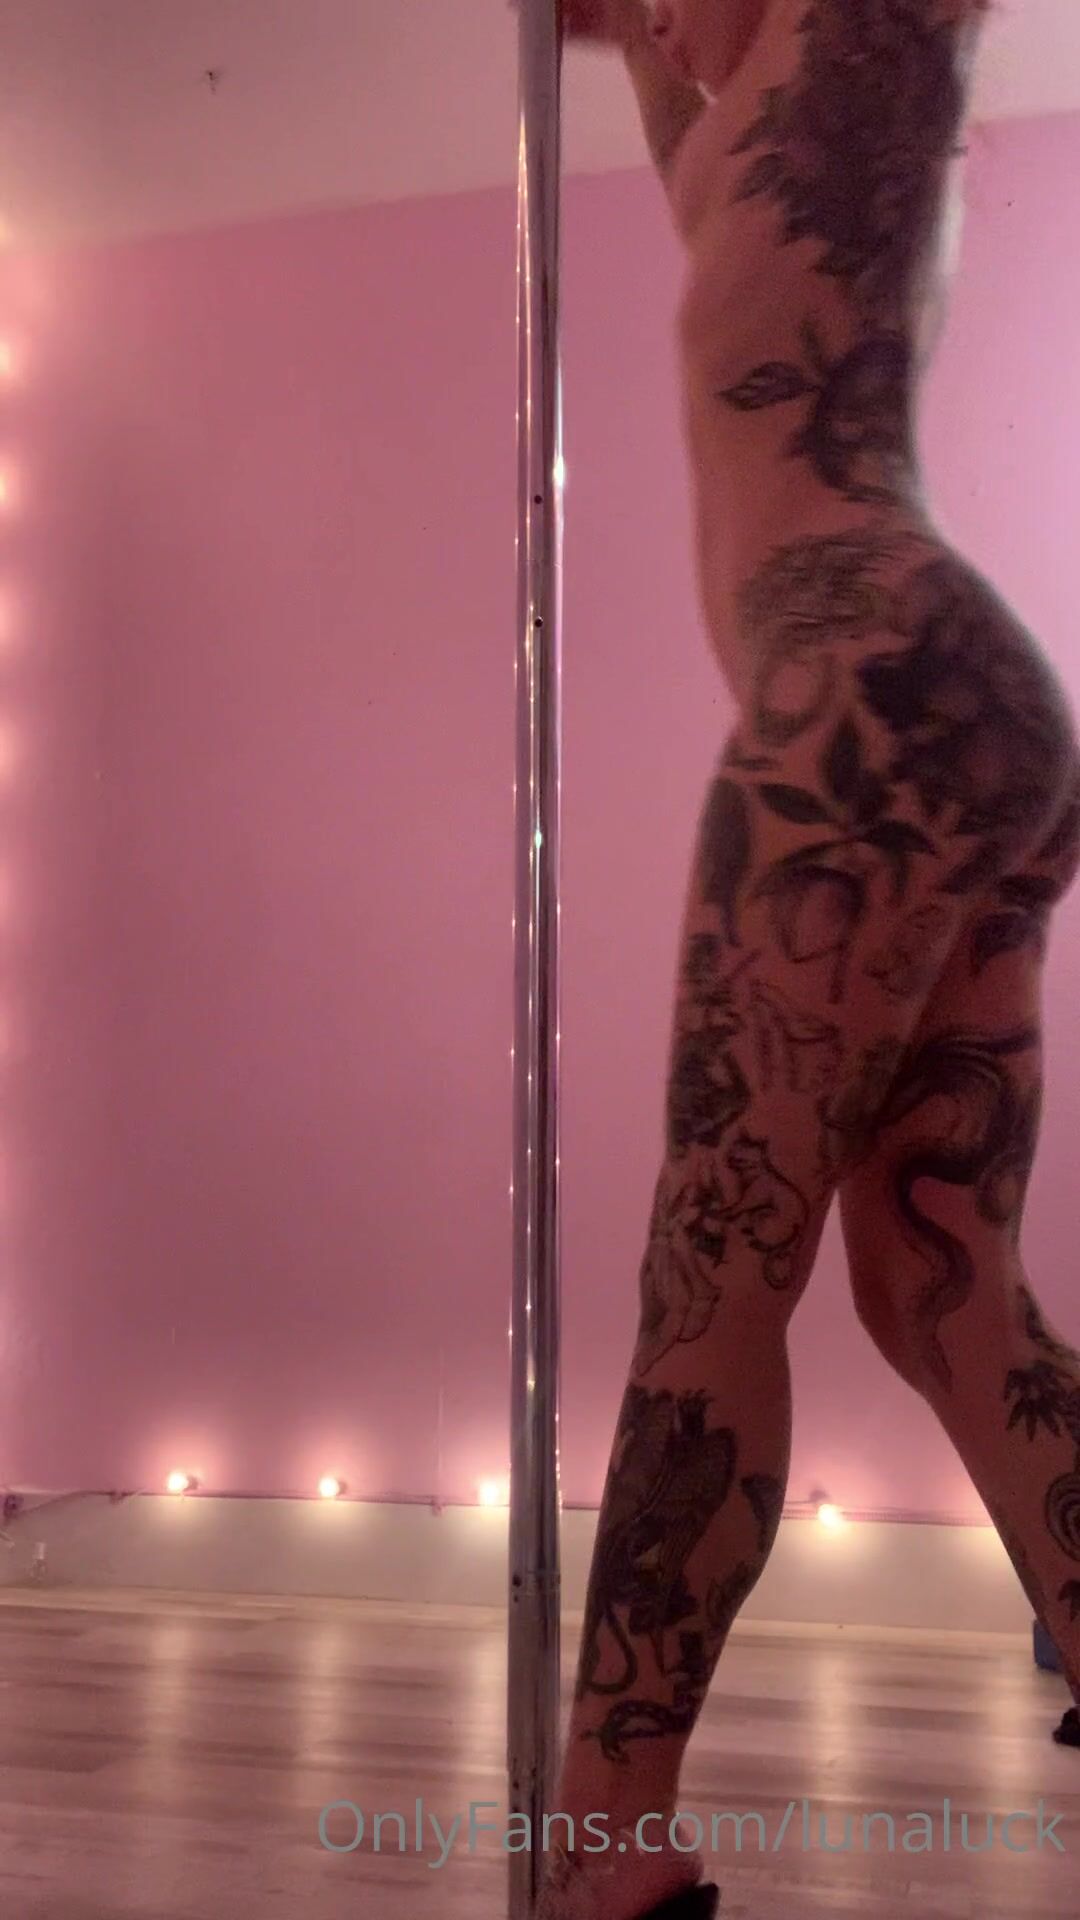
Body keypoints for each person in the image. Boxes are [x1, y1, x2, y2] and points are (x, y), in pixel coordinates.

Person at [532, 3, 1080, 1917]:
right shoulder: (747, 137)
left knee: (716, 1262)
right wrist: (631, 36)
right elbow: (695, 154)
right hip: (944, 701)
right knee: (942, 1294)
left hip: (876, 686)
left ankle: (608, 1850)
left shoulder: (875, 27)